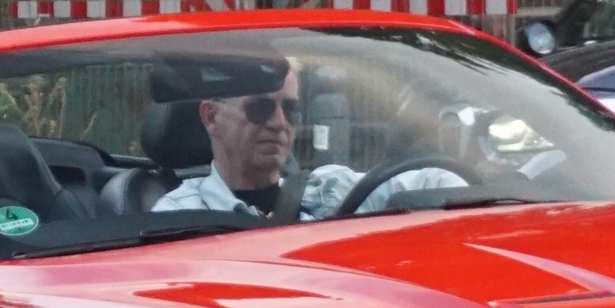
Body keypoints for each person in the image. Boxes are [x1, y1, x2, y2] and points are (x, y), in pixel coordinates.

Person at [151, 66, 461, 220]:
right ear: (211, 117)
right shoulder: (179, 217)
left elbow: (431, 182)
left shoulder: (330, 192)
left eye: (289, 109)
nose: (278, 123)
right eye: (259, 109)